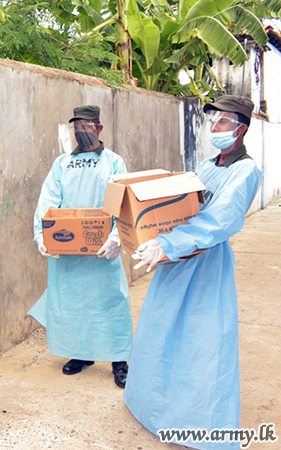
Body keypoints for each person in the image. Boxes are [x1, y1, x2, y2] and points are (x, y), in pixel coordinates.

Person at [124, 96, 262, 449]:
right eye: (212, 121)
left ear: (240, 128)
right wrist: (129, 234)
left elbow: (219, 221)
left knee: (203, 342)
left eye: (221, 122)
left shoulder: (245, 171)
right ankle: (154, 409)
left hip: (205, 265)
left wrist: (167, 245)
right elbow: (175, 208)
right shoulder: (206, 165)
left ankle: (202, 423)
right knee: (161, 331)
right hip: (177, 262)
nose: (213, 128)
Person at [28, 105, 132, 388]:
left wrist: (116, 237)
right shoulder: (62, 163)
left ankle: (119, 360)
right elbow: (48, 199)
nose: (81, 131)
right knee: (72, 304)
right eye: (76, 126)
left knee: (111, 302)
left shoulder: (113, 162)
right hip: (69, 253)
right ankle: (80, 354)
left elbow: (122, 202)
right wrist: (42, 234)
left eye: (87, 126)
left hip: (102, 253)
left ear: (99, 128)